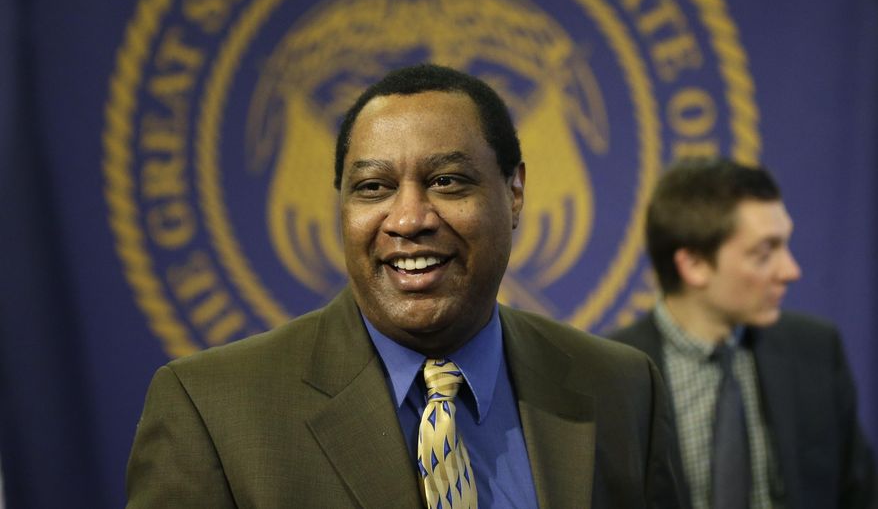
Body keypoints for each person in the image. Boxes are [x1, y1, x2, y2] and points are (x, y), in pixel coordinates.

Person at [125, 64, 681, 508]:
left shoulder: (623, 388)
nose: (409, 218)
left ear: (514, 192)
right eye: (373, 187)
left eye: (447, 181)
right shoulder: (211, 409)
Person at [611, 157, 876, 509]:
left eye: (786, 246)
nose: (791, 270)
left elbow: (859, 494)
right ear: (694, 265)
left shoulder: (815, 350)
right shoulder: (612, 371)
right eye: (765, 253)